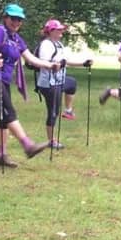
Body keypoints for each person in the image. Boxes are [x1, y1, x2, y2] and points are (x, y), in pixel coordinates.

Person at [0, 4, 57, 167]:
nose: (16, 22)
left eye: (19, 20)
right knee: (8, 112)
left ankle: (1, 156)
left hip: (4, 79)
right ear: (6, 17)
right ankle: (27, 145)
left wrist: (50, 65)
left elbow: (30, 59)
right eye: (13, 18)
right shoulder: (0, 31)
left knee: (3, 118)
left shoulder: (16, 38)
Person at [34, 19, 92, 148]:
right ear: (51, 31)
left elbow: (67, 61)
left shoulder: (59, 44)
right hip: (48, 84)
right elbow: (45, 63)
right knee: (53, 112)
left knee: (71, 83)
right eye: (58, 29)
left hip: (59, 81)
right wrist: (59, 65)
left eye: (61, 29)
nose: (61, 31)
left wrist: (83, 63)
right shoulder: (46, 45)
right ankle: (51, 141)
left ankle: (68, 111)